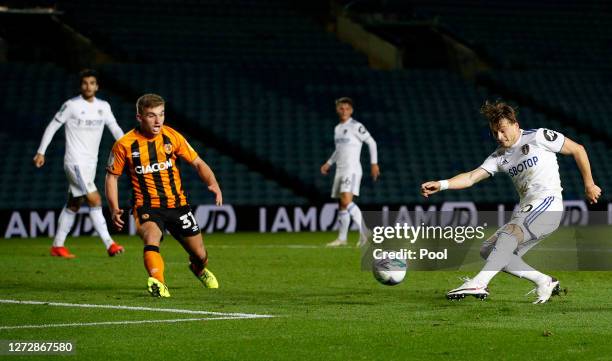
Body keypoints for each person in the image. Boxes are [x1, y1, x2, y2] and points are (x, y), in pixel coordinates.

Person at [421, 100, 601, 304]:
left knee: (509, 234)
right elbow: (471, 177)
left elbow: (578, 149)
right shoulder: (499, 156)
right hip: (527, 209)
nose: (499, 136)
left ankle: (479, 282)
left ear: (515, 124)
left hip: (547, 204)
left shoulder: (538, 136)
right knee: (489, 250)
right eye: (495, 132)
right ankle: (544, 281)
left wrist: (589, 184)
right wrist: (442, 184)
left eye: (503, 130)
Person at [105, 93, 221, 297]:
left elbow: (198, 163)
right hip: (146, 206)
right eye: (151, 115)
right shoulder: (124, 144)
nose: (158, 120)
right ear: (139, 117)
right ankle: (158, 283)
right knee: (152, 237)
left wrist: (212, 183)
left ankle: (198, 268)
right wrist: (114, 207)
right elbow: (112, 177)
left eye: (161, 114)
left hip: (178, 205)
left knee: (200, 254)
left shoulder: (172, 137)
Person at [33, 69, 125, 258]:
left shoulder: (103, 106)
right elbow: (53, 126)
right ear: (80, 86)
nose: (88, 86)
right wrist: (41, 151)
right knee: (95, 199)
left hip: (91, 163)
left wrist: (127, 147)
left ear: (97, 86)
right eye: (85, 83)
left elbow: (114, 128)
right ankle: (110, 244)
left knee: (74, 203)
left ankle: (58, 246)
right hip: (75, 162)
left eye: (92, 83)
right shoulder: (71, 106)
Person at [321, 97, 380, 247]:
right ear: (337, 109)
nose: (344, 111)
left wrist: (374, 164)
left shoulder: (355, 126)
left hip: (352, 170)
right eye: (341, 108)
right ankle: (342, 238)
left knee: (347, 201)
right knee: (342, 204)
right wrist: (328, 163)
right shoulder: (338, 128)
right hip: (340, 170)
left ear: (351, 110)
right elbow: (339, 150)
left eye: (347, 108)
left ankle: (365, 234)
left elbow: (371, 142)